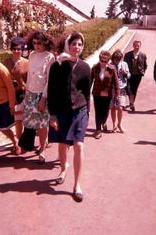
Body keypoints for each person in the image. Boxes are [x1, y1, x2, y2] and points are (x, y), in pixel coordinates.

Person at [47, 31, 91, 202]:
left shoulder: (85, 67)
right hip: (62, 112)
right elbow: (51, 91)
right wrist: (52, 115)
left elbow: (86, 91)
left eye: (80, 44)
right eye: (74, 44)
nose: (77, 47)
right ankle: (63, 170)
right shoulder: (57, 66)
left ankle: (77, 185)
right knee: (62, 144)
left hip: (80, 111)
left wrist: (87, 111)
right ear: (68, 45)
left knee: (79, 145)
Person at [19, 31, 55, 162]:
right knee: (30, 122)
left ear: (45, 42)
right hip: (30, 94)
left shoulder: (49, 57)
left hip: (41, 95)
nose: (36, 45)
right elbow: (29, 76)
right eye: (34, 43)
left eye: (39, 43)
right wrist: (26, 95)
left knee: (42, 124)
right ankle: (29, 145)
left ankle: (42, 149)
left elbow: (49, 80)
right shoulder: (32, 55)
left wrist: (44, 99)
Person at [91, 50, 119, 139]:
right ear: (99, 59)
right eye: (102, 61)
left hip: (108, 94)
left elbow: (116, 82)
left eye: (106, 61)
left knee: (105, 112)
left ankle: (104, 122)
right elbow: (90, 80)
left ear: (108, 61)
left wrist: (117, 93)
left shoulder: (112, 69)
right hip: (97, 93)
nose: (103, 63)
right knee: (98, 112)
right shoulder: (95, 67)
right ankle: (98, 130)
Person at [4, 37, 28, 139]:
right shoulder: (7, 62)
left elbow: (29, 81)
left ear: (22, 50)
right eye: (14, 48)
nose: (16, 51)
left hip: (23, 93)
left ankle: (25, 140)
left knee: (24, 119)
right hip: (11, 94)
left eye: (19, 49)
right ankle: (19, 142)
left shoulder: (27, 62)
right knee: (18, 119)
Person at [124, 40, 147, 111]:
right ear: (133, 46)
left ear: (140, 46)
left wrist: (142, 72)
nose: (137, 47)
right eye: (135, 45)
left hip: (138, 76)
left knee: (134, 89)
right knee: (128, 89)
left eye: (138, 46)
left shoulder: (143, 55)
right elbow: (124, 64)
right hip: (129, 75)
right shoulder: (127, 55)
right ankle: (131, 102)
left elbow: (145, 65)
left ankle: (132, 103)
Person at [110, 49, 130, 133]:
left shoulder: (124, 64)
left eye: (119, 59)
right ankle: (114, 124)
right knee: (113, 108)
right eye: (116, 59)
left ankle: (119, 124)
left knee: (120, 107)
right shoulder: (110, 65)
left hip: (122, 88)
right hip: (112, 89)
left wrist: (125, 73)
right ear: (113, 58)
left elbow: (129, 76)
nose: (117, 61)